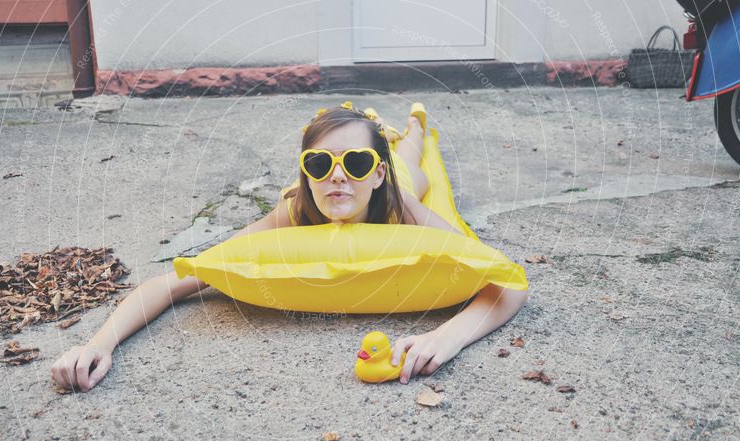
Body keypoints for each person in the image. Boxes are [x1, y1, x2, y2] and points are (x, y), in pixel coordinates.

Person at [50, 103, 527, 392]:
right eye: (321, 163)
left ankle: (414, 124)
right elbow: (175, 281)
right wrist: (98, 343)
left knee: (413, 160)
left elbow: (499, 277)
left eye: (357, 161)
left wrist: (446, 337)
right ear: (306, 173)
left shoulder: (400, 201)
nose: (338, 175)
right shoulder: (294, 210)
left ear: (374, 173)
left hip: (402, 181)